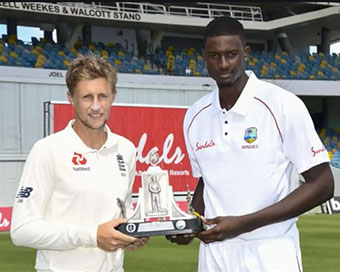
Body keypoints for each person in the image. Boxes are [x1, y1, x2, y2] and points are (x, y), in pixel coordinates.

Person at [168, 16, 334, 271]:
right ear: (204, 56)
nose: (223, 64)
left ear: (245, 53)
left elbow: (323, 184)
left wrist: (244, 223)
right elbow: (206, 180)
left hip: (270, 250)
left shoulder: (282, 104)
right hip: (215, 254)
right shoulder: (195, 115)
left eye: (231, 54)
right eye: (214, 55)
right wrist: (190, 223)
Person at [10, 55, 148, 272]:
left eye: (102, 96)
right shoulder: (48, 150)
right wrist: (92, 236)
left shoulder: (126, 149)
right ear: (70, 98)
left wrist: (133, 231)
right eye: (86, 97)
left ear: (114, 96)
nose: (95, 106)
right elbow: (21, 230)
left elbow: (123, 208)